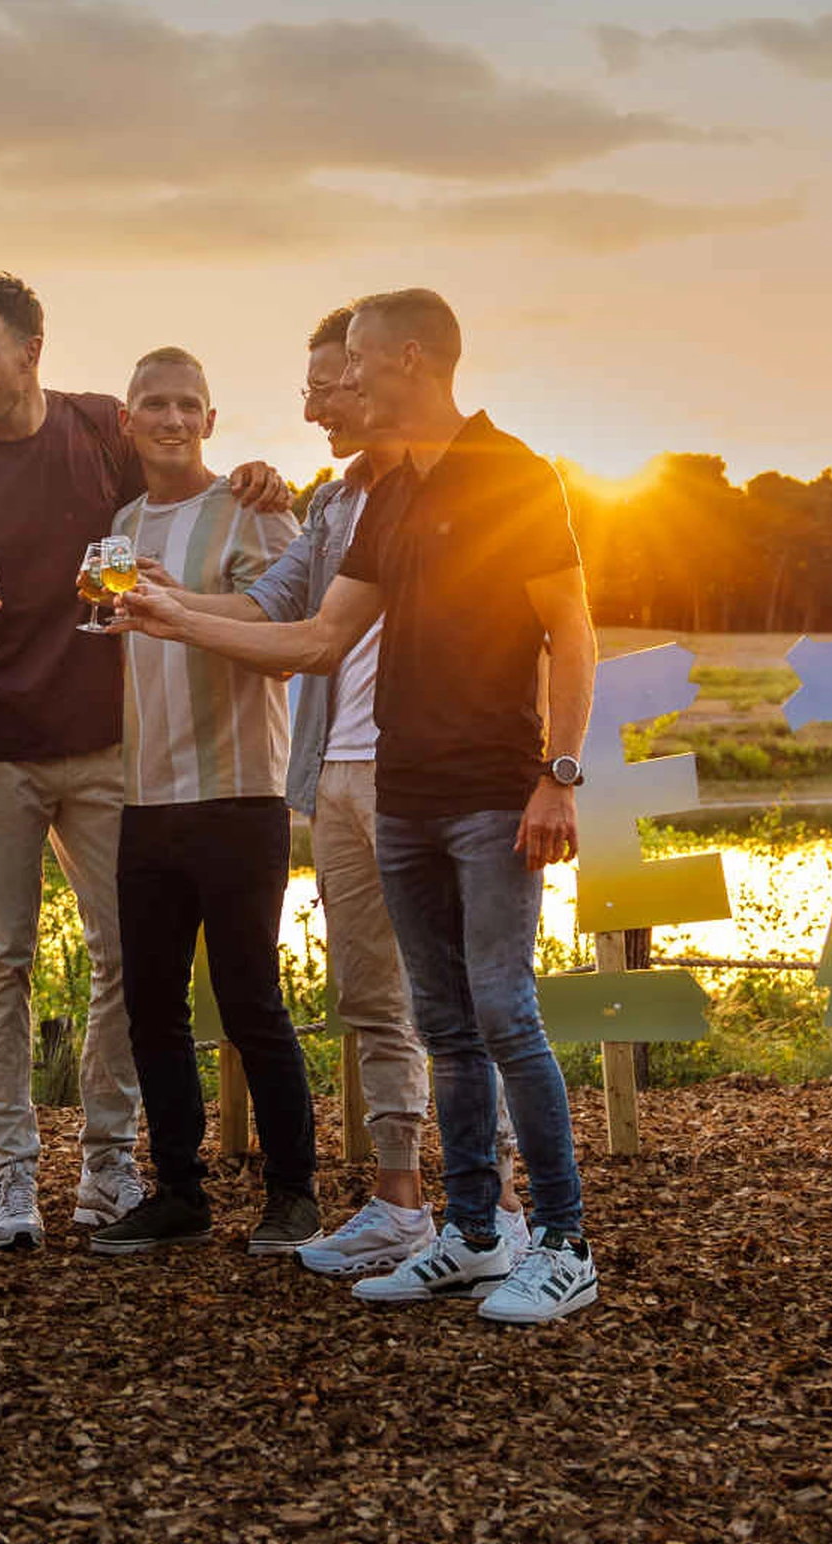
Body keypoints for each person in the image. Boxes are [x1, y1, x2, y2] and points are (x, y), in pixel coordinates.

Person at [114, 288, 604, 1326]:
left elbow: (572, 627)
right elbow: (317, 640)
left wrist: (558, 774)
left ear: (411, 359)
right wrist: (170, 618)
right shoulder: (382, 499)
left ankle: (562, 1240)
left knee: (504, 1012)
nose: (341, 385)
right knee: (446, 1025)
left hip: (489, 793)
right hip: (404, 796)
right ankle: (471, 1234)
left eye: (355, 366)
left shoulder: (514, 472)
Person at [0, 272, 287, 1251]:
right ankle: (8, 1174)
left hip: (113, 745)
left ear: (31, 351)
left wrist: (258, 476)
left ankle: (109, 1159)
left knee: (127, 958)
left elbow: (182, 468)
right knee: (2, 958)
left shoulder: (100, 427)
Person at [79, 349, 322, 1258]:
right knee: (151, 1006)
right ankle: (179, 1192)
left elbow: (296, 637)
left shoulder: (256, 508)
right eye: (155, 404)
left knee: (251, 999)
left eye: (189, 405)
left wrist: (190, 605)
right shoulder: (121, 526)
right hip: (145, 797)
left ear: (211, 420)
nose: (172, 419)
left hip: (239, 792)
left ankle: (294, 1194)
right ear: (129, 421)